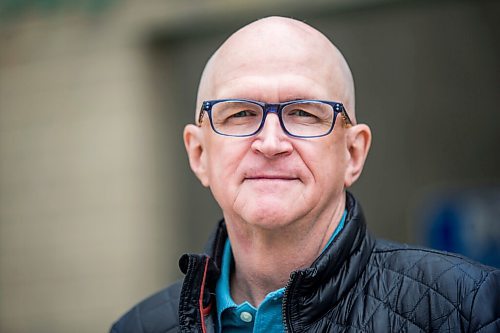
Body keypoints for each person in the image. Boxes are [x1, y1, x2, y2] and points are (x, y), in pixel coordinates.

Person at [110, 16, 500, 333]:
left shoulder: (470, 309)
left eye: (304, 113)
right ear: (199, 154)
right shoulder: (138, 328)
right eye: (241, 114)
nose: (270, 142)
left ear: (353, 152)